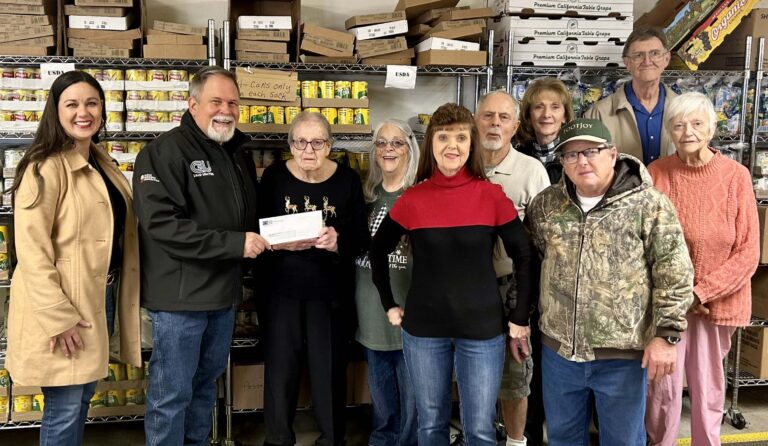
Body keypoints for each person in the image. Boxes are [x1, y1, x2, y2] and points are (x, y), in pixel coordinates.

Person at [370, 103, 536, 446]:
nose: (452, 146)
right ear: (430, 143)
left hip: (482, 331)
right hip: (424, 331)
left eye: (461, 137)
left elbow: (525, 254)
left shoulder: (491, 196)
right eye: (443, 137)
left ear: (471, 143)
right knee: (430, 425)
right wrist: (389, 303)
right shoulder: (413, 199)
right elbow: (377, 250)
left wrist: (520, 316)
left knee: (480, 429)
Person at [525, 119, 694, 446]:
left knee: (623, 441)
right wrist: (521, 321)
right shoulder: (547, 205)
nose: (581, 161)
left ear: (613, 154)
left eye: (590, 151)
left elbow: (674, 272)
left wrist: (666, 335)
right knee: (562, 439)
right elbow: (531, 266)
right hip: (559, 354)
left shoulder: (649, 204)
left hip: (623, 357)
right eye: (570, 156)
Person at [133, 66, 268, 446]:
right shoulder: (163, 152)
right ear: (192, 104)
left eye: (233, 102)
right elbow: (162, 226)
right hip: (180, 300)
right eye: (216, 101)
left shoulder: (234, 154)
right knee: (171, 396)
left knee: (205, 389)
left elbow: (246, 219)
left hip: (222, 298)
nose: (225, 109)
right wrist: (235, 245)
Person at [5, 70, 141, 446]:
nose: (84, 112)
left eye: (92, 103)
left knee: (80, 398)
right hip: (64, 307)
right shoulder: (44, 167)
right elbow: (32, 253)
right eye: (72, 104)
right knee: (64, 408)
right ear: (56, 111)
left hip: (99, 296)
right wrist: (58, 317)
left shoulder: (102, 163)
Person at [645, 92, 760, 446]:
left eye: (697, 123)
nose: (688, 131)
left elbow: (748, 252)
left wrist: (700, 292)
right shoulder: (657, 173)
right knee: (661, 389)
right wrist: (679, 295)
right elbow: (643, 243)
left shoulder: (736, 176)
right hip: (667, 303)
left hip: (715, 306)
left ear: (711, 128)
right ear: (670, 131)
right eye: (679, 125)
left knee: (707, 389)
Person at [259, 111, 369, 446]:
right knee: (280, 370)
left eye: (318, 142)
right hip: (281, 290)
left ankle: (332, 439)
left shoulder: (347, 180)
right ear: (290, 144)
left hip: (330, 292)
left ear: (330, 145)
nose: (309, 150)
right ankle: (277, 439)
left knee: (329, 370)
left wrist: (339, 241)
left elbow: (361, 236)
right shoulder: (274, 177)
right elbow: (256, 229)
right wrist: (279, 243)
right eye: (301, 142)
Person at [475, 91, 549, 446]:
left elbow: (545, 243)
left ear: (516, 126)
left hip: (512, 289)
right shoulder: (461, 165)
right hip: (467, 288)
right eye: (488, 116)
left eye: (504, 118)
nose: (495, 124)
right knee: (472, 373)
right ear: (476, 121)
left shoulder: (531, 171)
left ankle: (517, 442)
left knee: (514, 376)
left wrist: (528, 305)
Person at [355, 119, 420, 446]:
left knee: (412, 402)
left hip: (409, 314)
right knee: (381, 400)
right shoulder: (366, 196)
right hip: (370, 313)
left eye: (397, 143)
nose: (388, 149)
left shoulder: (419, 196)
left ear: (410, 148)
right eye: (382, 143)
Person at [585, 27, 677, 165]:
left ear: (666, 59)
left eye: (655, 53)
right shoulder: (598, 114)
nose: (647, 61)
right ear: (627, 63)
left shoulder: (684, 110)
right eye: (638, 55)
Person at [517, 77, 575, 185]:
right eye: (539, 107)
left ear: (565, 116)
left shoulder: (575, 158)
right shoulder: (517, 157)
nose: (546, 114)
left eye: (555, 107)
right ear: (528, 115)